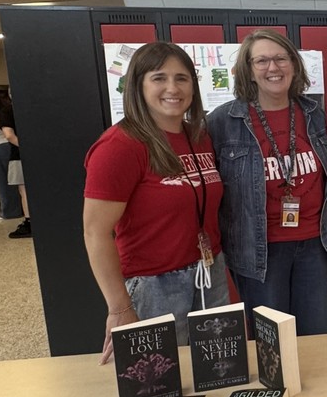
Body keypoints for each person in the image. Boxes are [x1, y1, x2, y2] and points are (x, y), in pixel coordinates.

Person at [83, 42, 228, 363]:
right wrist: (119, 308)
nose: (172, 88)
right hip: (155, 285)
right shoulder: (120, 146)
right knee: (160, 386)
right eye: (159, 78)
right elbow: (95, 233)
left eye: (182, 78)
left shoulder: (199, 136)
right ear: (138, 84)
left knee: (217, 372)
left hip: (209, 273)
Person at [208, 30, 327, 336]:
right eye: (261, 60)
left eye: (280, 58)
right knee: (272, 340)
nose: (272, 68)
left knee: (316, 334)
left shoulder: (313, 113)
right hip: (260, 249)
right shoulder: (223, 122)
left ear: (294, 64)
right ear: (248, 70)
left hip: (315, 244)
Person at [0, 101, 32, 239]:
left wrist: (27, 150)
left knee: (24, 191)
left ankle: (30, 222)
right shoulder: (35, 105)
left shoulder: (8, 110)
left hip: (20, 155)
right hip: (44, 154)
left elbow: (9, 135)